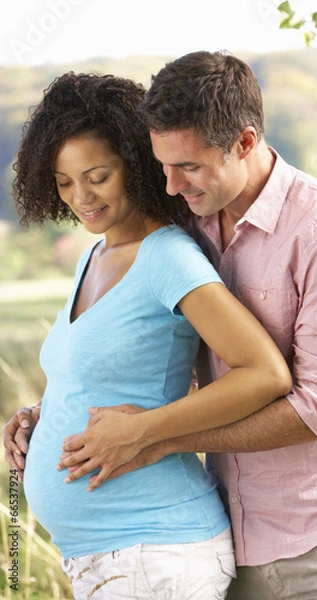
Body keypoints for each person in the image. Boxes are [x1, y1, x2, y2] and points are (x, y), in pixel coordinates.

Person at [5, 52, 317, 598]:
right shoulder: (190, 219)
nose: (168, 186)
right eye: (161, 165)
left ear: (244, 141)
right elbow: (165, 360)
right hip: (239, 537)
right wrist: (57, 418)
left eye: (187, 166)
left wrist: (153, 437)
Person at [3, 71, 293, 600]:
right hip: (106, 556)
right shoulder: (95, 256)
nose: (80, 197)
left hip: (156, 551)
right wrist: (40, 418)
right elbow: (101, 376)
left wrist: (149, 430)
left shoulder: (167, 256)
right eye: (64, 182)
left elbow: (265, 374)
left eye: (96, 176)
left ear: (134, 166)